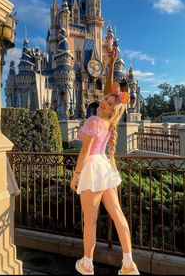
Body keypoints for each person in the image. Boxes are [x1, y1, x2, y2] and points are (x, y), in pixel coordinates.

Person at [70, 47, 140, 275]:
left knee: (90, 222)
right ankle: (128, 263)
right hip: (105, 167)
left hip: (91, 167)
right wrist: (110, 65)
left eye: (109, 104)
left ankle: (88, 264)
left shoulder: (93, 121)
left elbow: (84, 152)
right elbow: (112, 94)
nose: (104, 103)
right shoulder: (109, 122)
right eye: (105, 100)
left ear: (111, 111)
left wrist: (76, 175)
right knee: (118, 215)